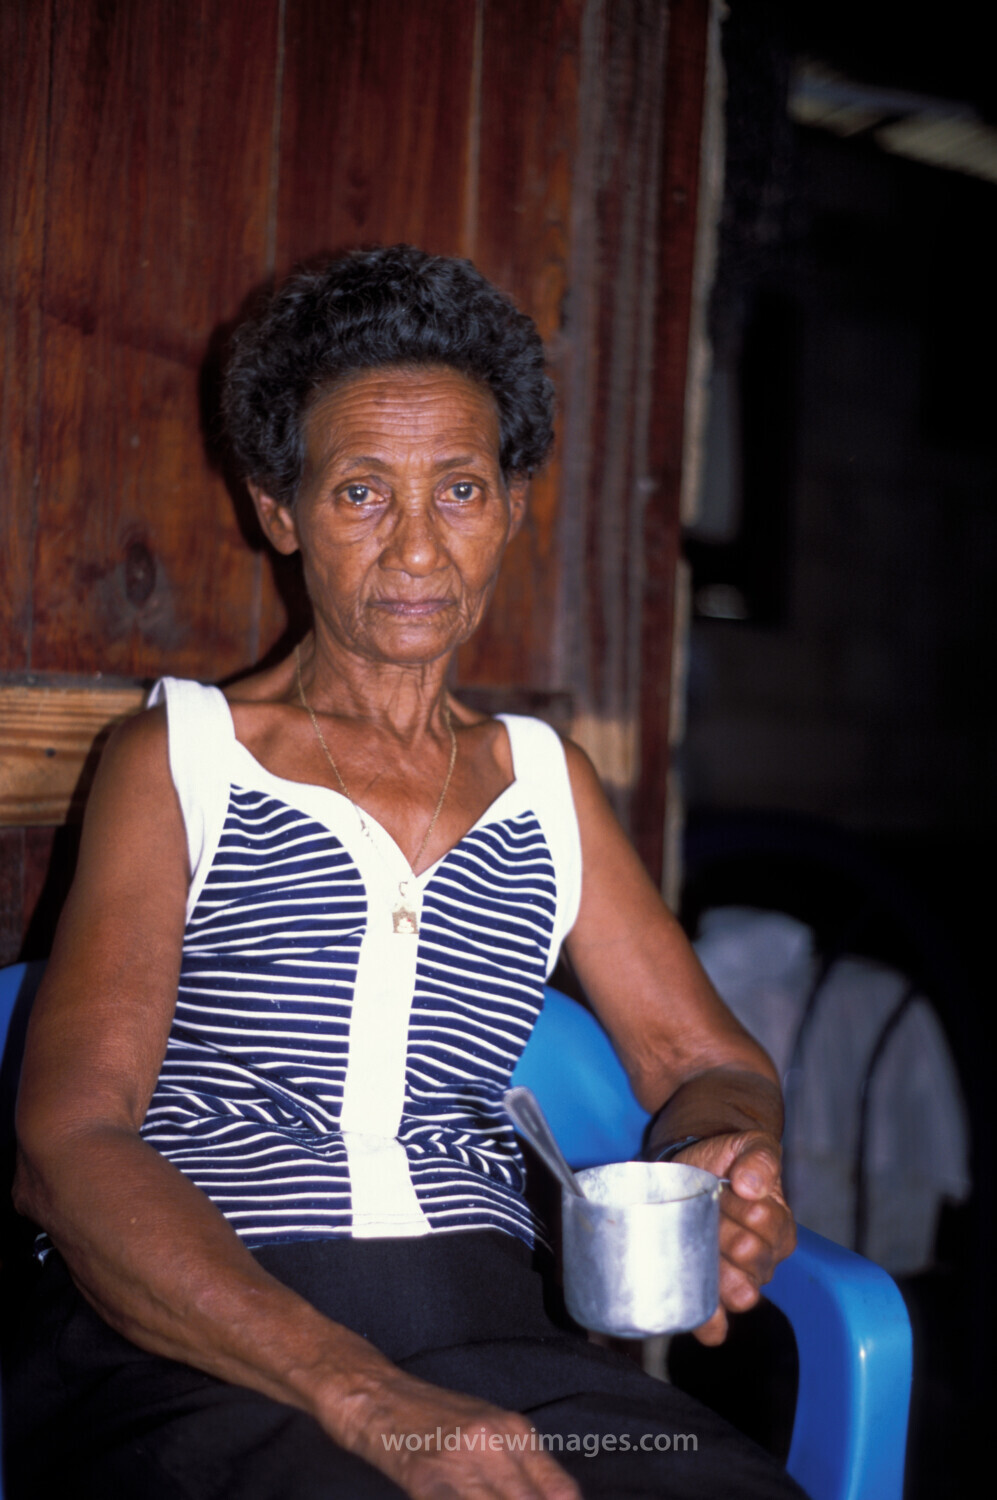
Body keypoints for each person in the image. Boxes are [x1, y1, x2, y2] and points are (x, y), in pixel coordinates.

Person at [8, 246, 800, 1499]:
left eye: (462, 491)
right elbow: (69, 1141)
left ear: (512, 503)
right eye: (363, 493)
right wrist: (363, 1395)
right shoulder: (183, 762)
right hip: (204, 1347)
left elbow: (705, 1062)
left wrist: (723, 1150)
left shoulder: (544, 787)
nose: (420, 549)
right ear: (280, 509)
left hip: (498, 1345)